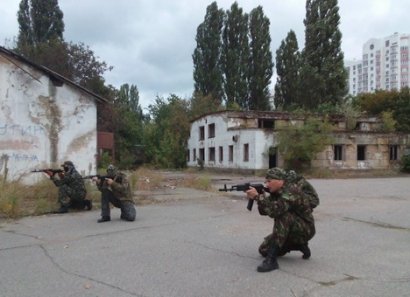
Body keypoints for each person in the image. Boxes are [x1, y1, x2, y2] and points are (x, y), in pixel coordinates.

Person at [246, 167, 318, 273]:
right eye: (266, 181)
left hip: (305, 229)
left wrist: (258, 197)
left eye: (269, 181)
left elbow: (275, 211)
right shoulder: (277, 191)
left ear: (280, 180)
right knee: (263, 250)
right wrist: (261, 196)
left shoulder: (291, 191)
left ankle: (271, 260)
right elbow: (264, 211)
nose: (267, 184)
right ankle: (299, 245)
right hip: (292, 229)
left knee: (284, 215)